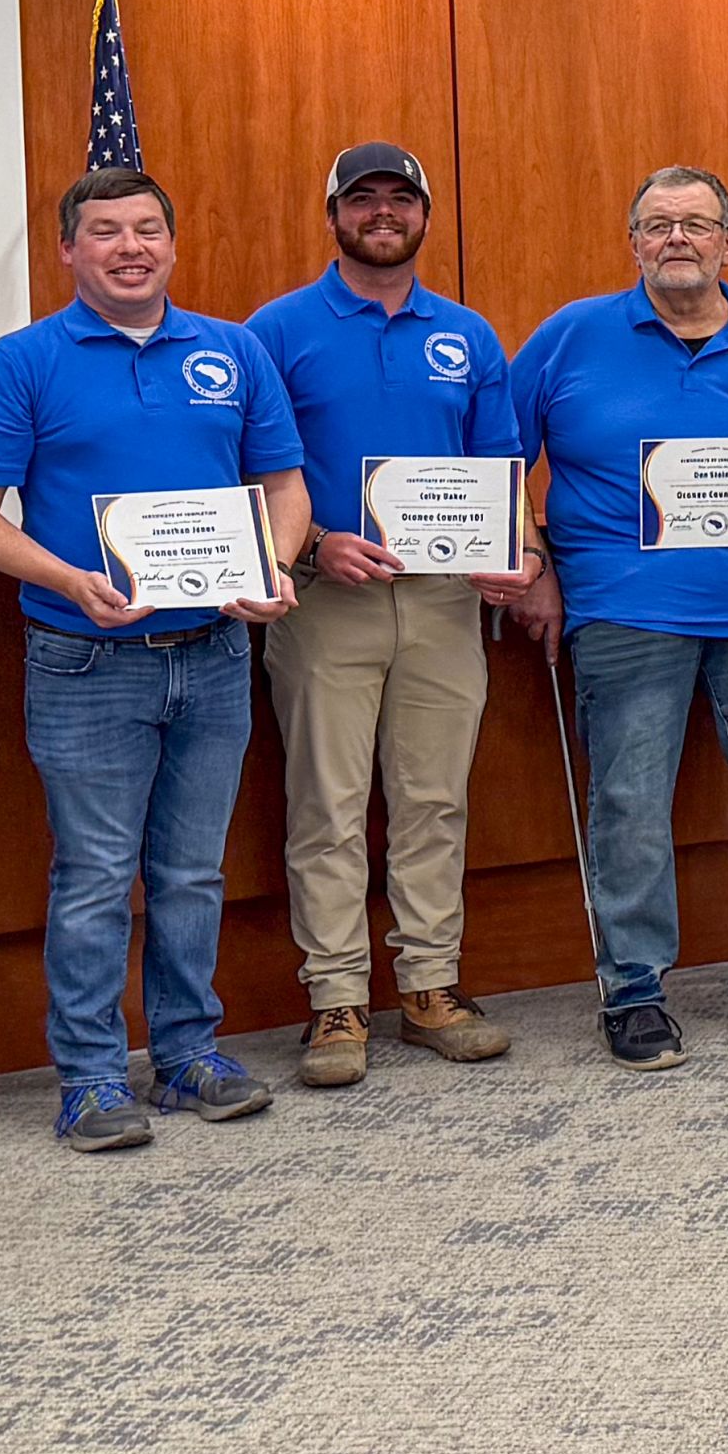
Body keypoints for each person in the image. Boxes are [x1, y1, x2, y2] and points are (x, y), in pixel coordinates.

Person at [0, 167, 310, 1152]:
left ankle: (188, 1054)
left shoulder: (234, 351)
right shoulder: (20, 363)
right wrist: (68, 578)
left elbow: (284, 486)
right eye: (105, 230)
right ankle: (93, 1076)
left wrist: (273, 565)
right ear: (68, 249)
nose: (130, 246)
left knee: (192, 872)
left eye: (147, 228)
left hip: (214, 651)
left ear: (173, 245)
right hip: (85, 658)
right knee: (97, 875)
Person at [506, 166, 728, 1073]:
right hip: (623, 610)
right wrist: (532, 560)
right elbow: (497, 456)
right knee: (629, 799)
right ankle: (634, 985)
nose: (677, 239)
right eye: (658, 225)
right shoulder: (571, 336)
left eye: (696, 224)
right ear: (634, 244)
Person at [245, 141, 529, 1089]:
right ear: (333, 215)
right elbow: (248, 467)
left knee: (434, 800)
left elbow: (499, 467)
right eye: (361, 198)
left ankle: (430, 986)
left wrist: (518, 552)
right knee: (326, 804)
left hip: (445, 601)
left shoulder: (468, 335)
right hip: (327, 598)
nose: (381, 213)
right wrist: (317, 543)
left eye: (399, 199)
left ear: (423, 215)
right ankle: (335, 998)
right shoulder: (276, 330)